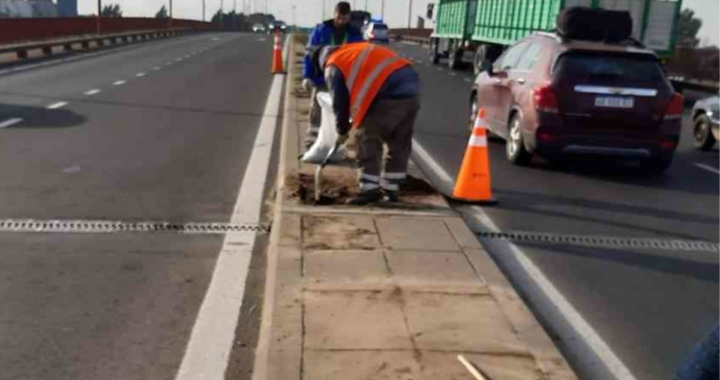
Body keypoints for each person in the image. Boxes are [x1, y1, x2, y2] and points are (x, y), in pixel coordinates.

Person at [313, 42, 421, 205]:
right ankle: (391, 190)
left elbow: (339, 103)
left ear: (320, 62)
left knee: (365, 139)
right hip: (411, 93)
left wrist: (342, 131)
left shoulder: (333, 65)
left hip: (387, 95)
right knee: (399, 142)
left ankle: (369, 190)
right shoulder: (350, 51)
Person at [302, 1, 363, 150]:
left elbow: (361, 59)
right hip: (322, 77)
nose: (341, 21)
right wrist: (307, 76)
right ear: (334, 15)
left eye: (344, 18)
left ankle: (337, 141)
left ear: (349, 17)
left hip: (343, 80)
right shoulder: (321, 30)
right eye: (339, 18)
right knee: (316, 107)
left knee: (341, 110)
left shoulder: (355, 35)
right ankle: (312, 139)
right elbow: (310, 54)